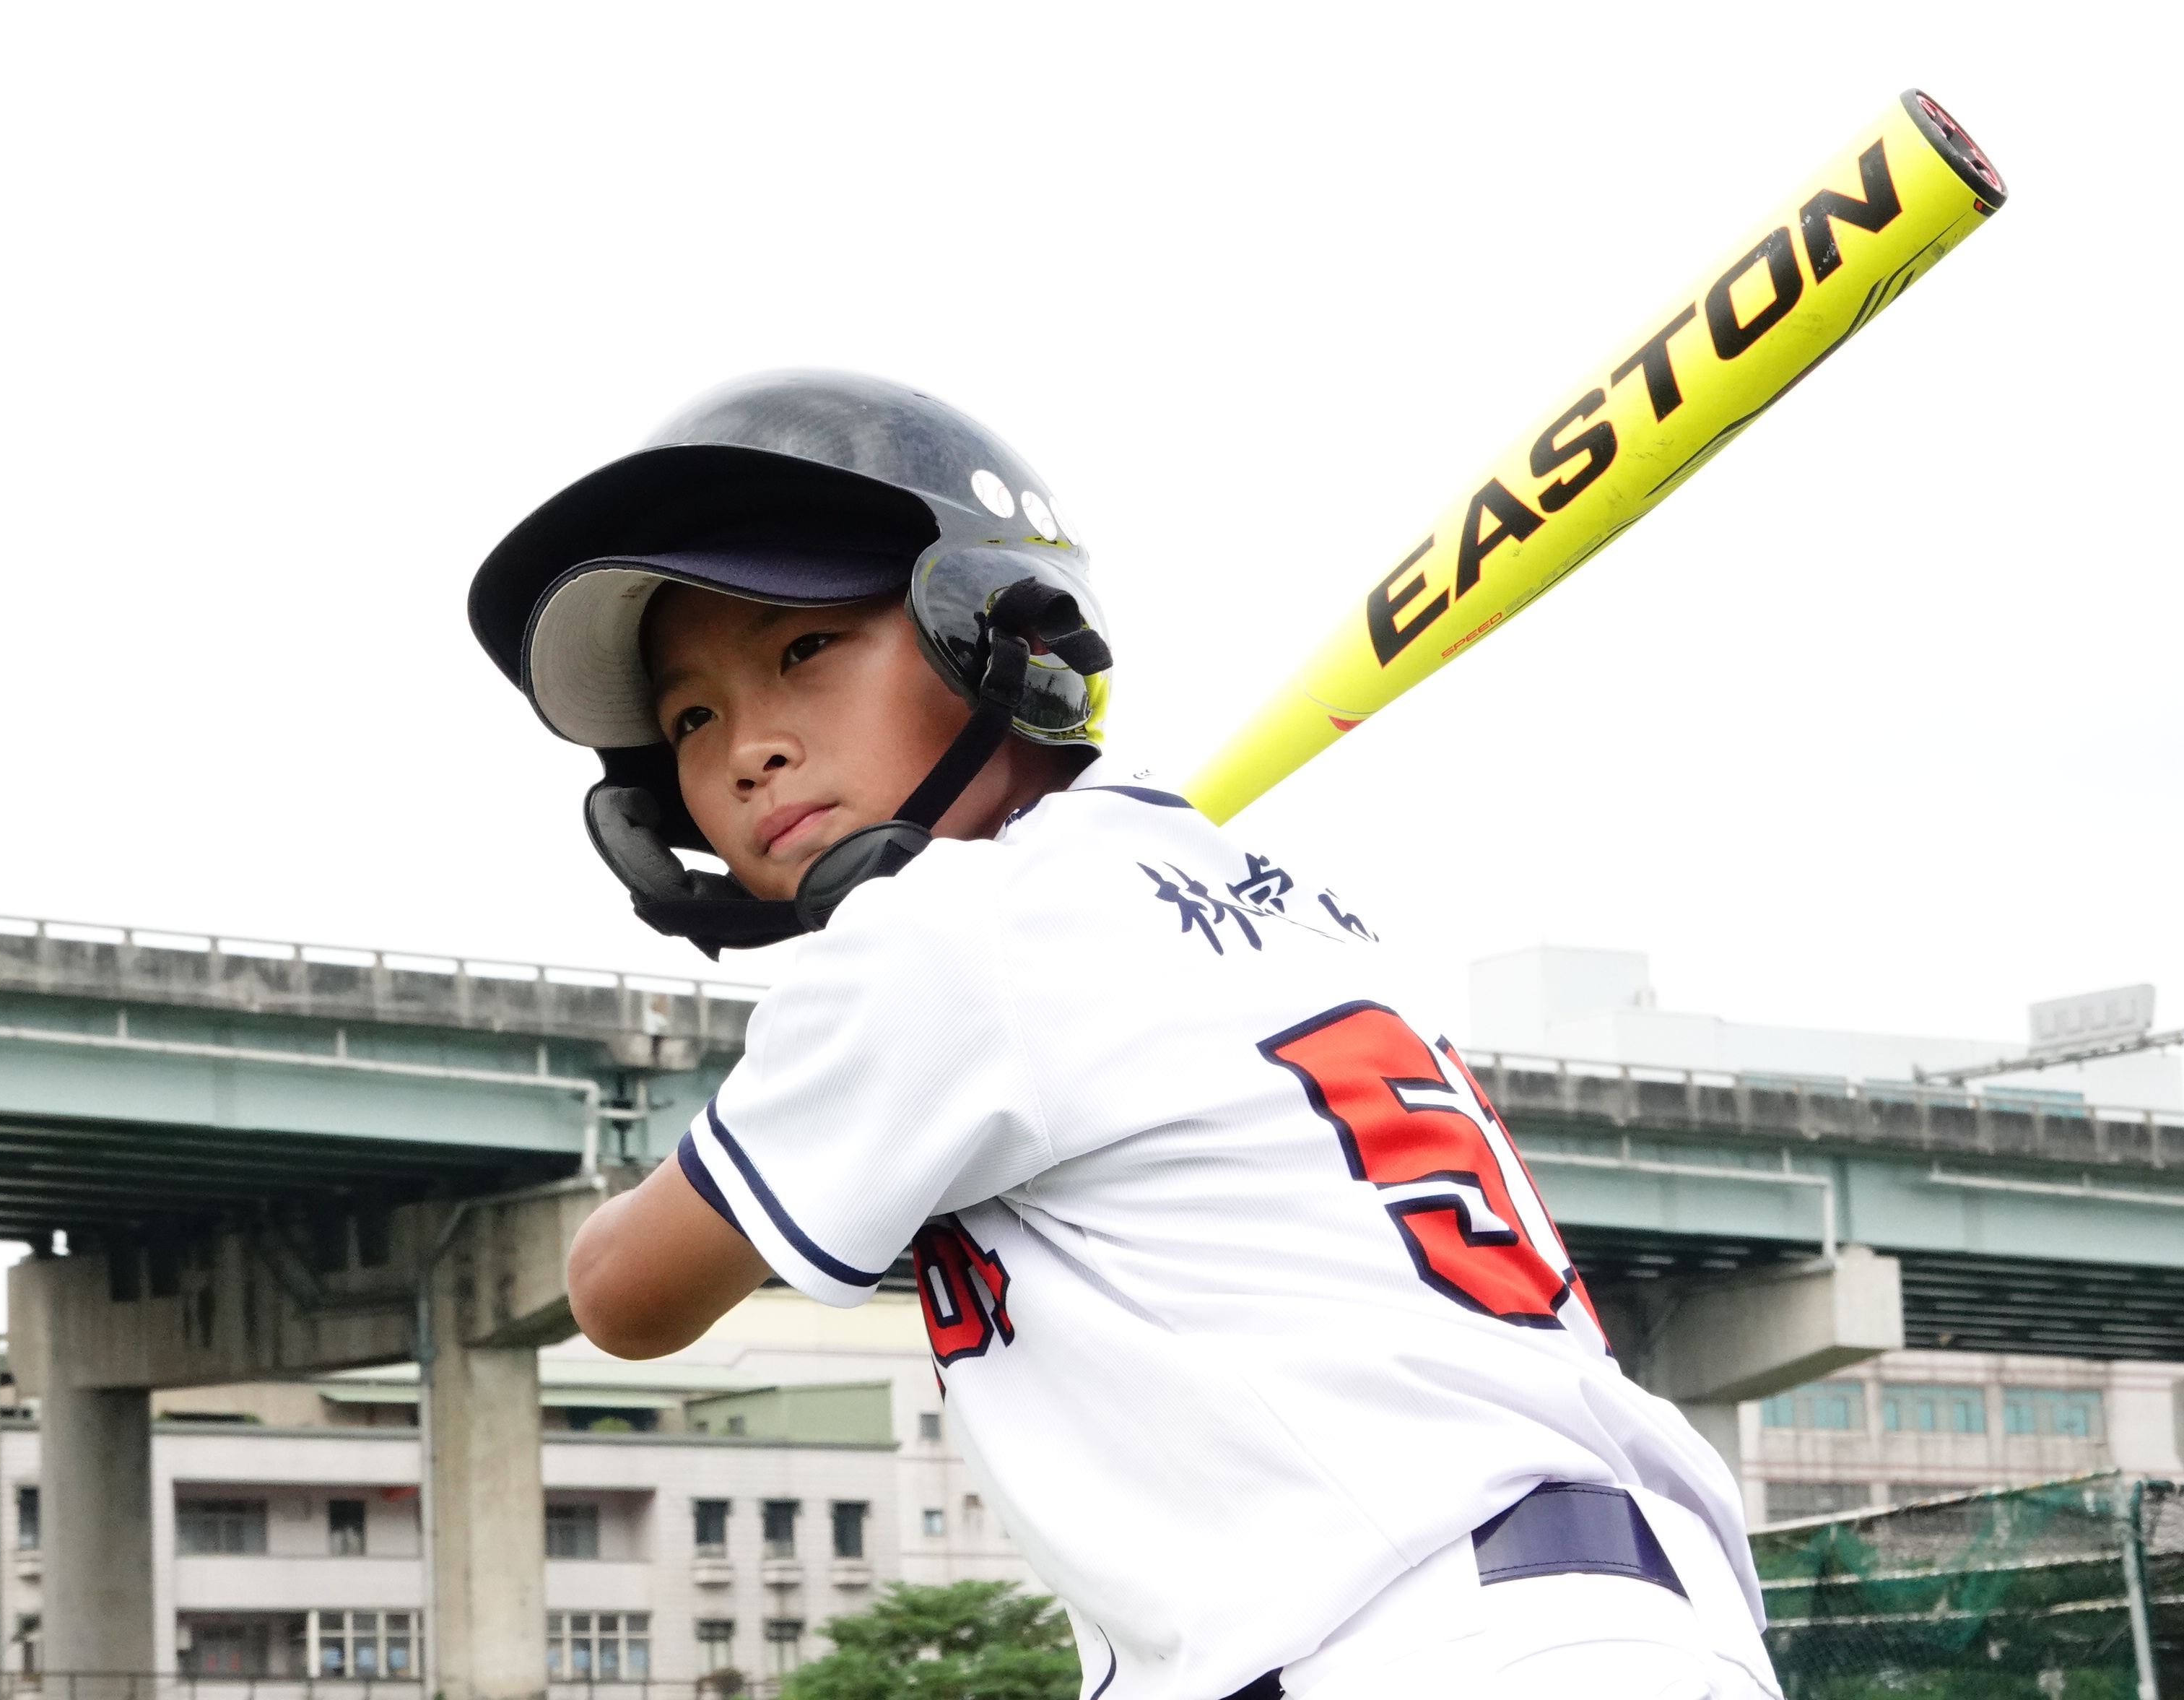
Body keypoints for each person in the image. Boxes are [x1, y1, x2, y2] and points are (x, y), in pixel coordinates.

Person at [466, 369, 1781, 1700]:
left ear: (990, 634)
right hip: (1616, 1626)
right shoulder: (1290, 906)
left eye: (803, 649)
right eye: (691, 717)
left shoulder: (947, 934)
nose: (747, 749)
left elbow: (621, 1296)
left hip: (1408, 1643)